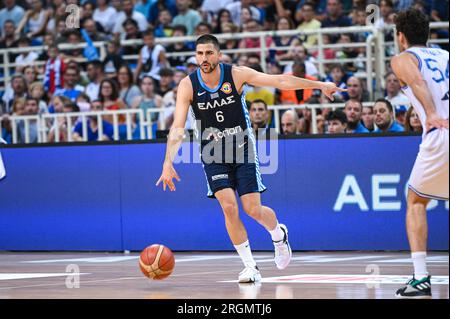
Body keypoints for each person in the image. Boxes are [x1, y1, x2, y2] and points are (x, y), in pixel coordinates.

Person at [155, 34, 345, 283]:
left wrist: (320, 85)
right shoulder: (188, 85)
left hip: (243, 147)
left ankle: (278, 234)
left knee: (252, 209)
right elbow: (178, 126)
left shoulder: (236, 74)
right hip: (213, 153)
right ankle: (250, 266)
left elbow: (280, 81)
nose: (204, 58)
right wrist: (168, 161)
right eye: (200, 53)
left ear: (219, 55)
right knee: (228, 207)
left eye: (209, 53)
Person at [390, 9, 449, 299]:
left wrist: (432, 113)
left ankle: (421, 276)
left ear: (401, 36)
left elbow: (417, 82)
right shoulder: (446, 55)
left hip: (441, 133)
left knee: (415, 200)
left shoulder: (403, 58)